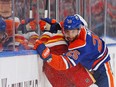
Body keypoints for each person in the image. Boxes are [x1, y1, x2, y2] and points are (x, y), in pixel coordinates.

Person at [34, 14, 114, 87]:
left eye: (73, 32)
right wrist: (56, 25)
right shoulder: (77, 26)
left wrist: (48, 57)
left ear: (79, 29)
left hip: (102, 67)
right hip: (91, 63)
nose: (70, 35)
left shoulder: (81, 45)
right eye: (67, 32)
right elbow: (65, 26)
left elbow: (63, 64)